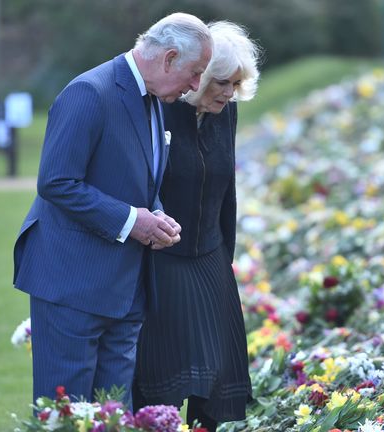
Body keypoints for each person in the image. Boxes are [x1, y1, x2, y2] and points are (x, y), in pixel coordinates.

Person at [12, 13, 213, 409]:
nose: (195, 86)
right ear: (169, 57)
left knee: (114, 413)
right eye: (195, 73)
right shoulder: (89, 91)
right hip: (72, 283)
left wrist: (155, 215)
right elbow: (56, 181)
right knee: (67, 413)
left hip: (125, 289)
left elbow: (136, 178)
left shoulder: (154, 97)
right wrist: (131, 220)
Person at [133, 21, 260, 431]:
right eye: (222, 82)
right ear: (198, 75)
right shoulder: (160, 107)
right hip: (162, 260)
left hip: (210, 256)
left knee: (220, 382)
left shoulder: (227, 114)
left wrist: (227, 260)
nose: (229, 93)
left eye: (236, 84)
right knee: (164, 379)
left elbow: (228, 191)